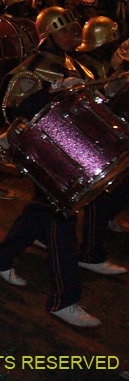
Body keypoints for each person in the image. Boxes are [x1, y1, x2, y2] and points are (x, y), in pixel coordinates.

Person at [0, 6, 101, 327]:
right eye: (66, 30)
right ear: (49, 32)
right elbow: (12, 110)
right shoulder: (35, 67)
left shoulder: (72, 62)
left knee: (45, 211)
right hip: (42, 150)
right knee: (61, 217)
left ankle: (0, 257)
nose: (74, 35)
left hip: (64, 149)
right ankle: (65, 298)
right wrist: (52, 91)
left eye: (75, 29)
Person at [71, 16, 129, 275]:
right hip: (109, 128)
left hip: (114, 122)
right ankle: (90, 252)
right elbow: (109, 94)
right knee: (103, 191)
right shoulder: (87, 64)